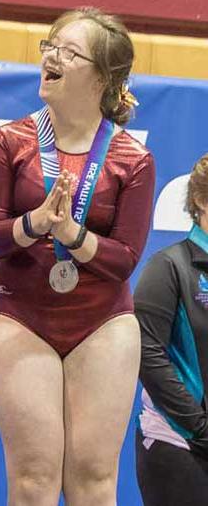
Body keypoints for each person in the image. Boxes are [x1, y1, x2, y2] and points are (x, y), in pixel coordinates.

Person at [0, 7, 155, 505]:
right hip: (20, 315)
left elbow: (123, 260)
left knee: (94, 480)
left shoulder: (131, 158)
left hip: (102, 323)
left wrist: (74, 235)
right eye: (49, 46)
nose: (51, 57)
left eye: (68, 51)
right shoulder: (10, 141)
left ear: (101, 78)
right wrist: (36, 223)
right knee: (34, 479)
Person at [133, 153, 208, 506]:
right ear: (200, 200)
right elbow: (147, 354)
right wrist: (200, 428)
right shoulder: (169, 267)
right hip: (180, 446)